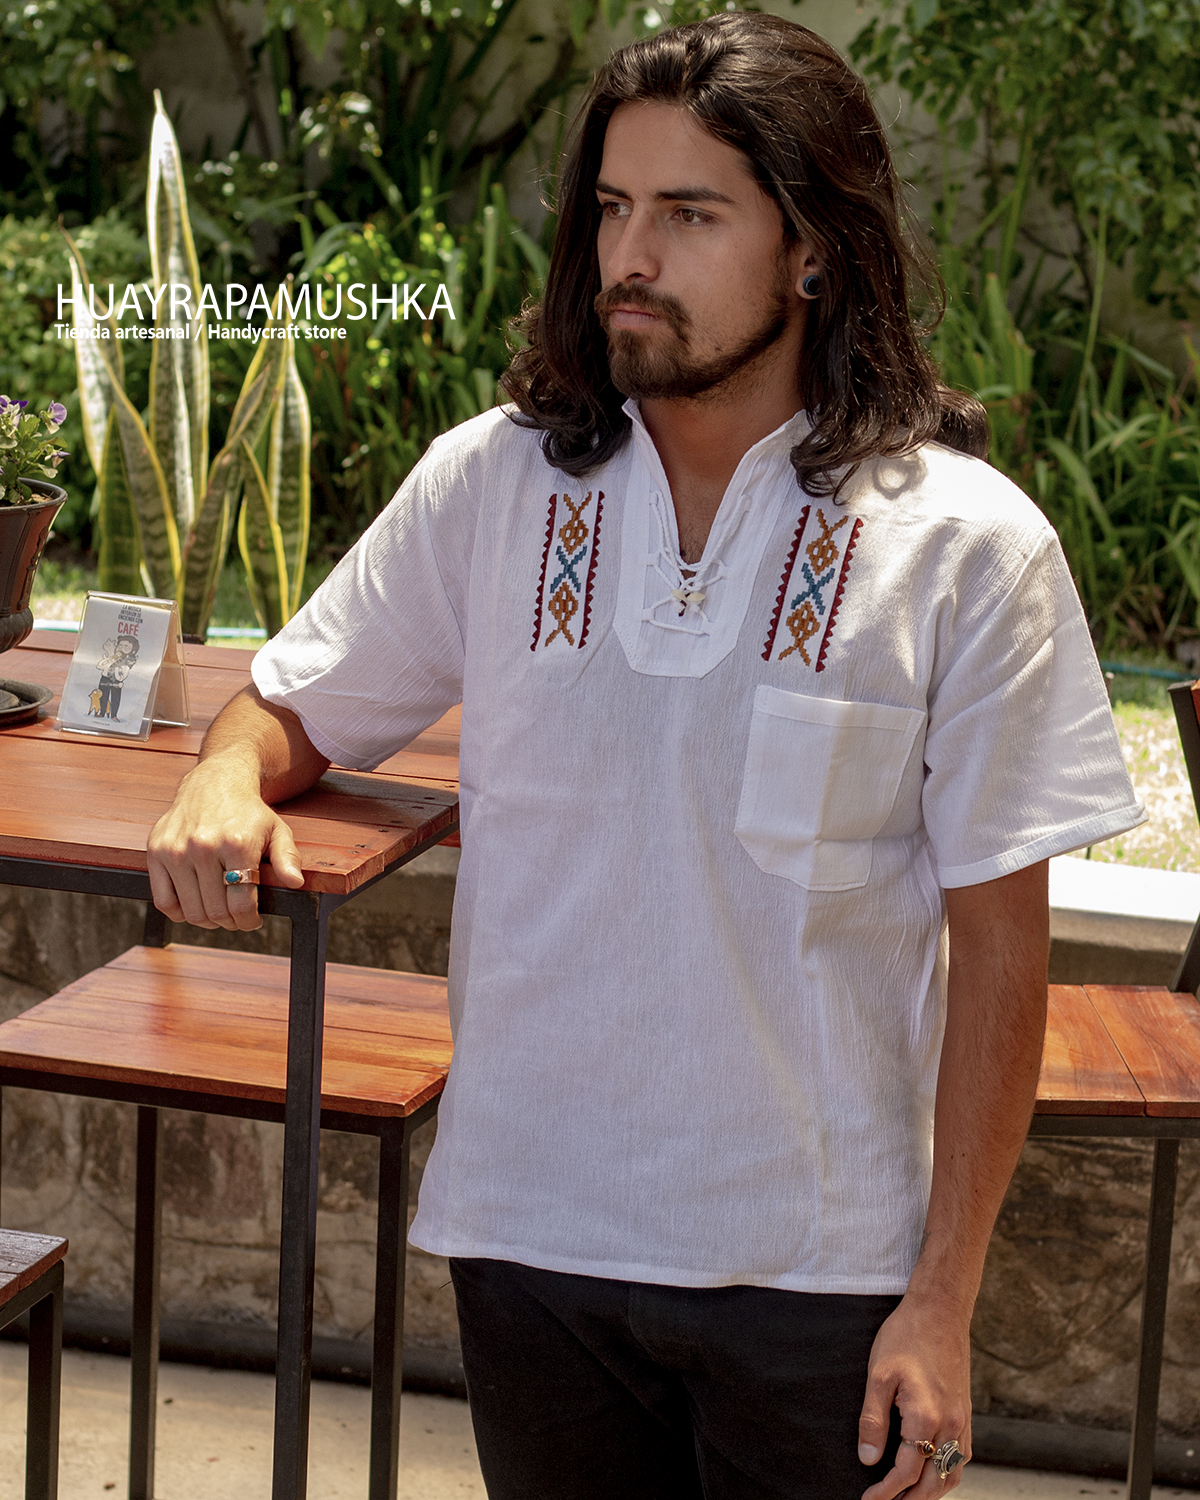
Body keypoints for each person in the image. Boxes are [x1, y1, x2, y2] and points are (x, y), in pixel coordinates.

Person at [147, 15, 1144, 1499]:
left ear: (813, 250)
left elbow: (1004, 950)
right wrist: (224, 777)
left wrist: (943, 1297)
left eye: (689, 214)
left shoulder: (964, 548)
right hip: (529, 1243)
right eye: (614, 208)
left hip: (818, 1278)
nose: (631, 254)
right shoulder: (494, 486)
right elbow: (291, 701)